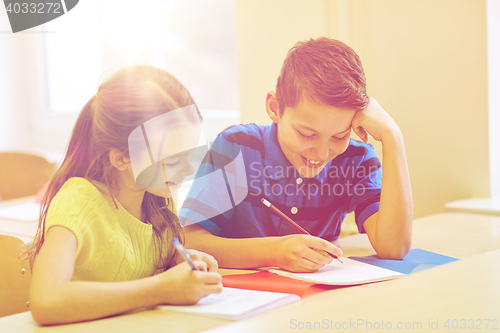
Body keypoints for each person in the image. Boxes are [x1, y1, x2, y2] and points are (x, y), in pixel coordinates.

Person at [179, 37, 413, 272]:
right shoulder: (235, 147)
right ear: (275, 107)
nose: (322, 153)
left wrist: (392, 137)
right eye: (307, 134)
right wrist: (275, 252)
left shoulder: (356, 159)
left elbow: (393, 249)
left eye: (339, 136)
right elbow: (188, 241)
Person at [28, 66, 222, 326]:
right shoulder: (78, 202)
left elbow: (140, 260)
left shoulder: (158, 195)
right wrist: (161, 289)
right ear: (122, 157)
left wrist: (179, 260)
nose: (187, 170)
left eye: (191, 154)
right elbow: (46, 301)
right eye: (174, 160)